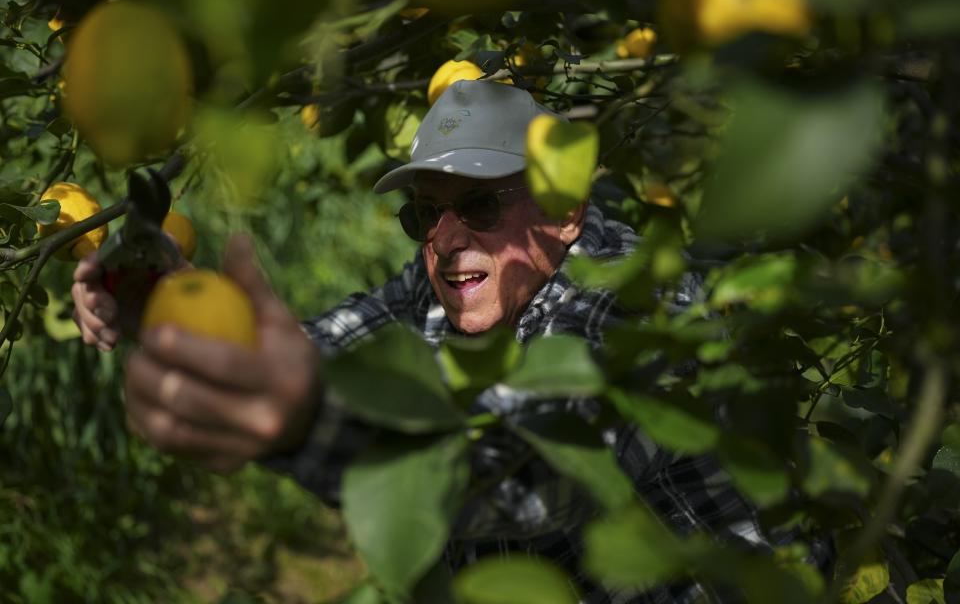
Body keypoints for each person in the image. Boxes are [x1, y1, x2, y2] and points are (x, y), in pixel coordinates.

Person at [71, 80, 825, 603]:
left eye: (482, 205)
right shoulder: (450, 279)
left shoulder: (639, 307)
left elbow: (532, 486)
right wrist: (168, 304)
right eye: (425, 214)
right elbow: (325, 348)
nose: (446, 238)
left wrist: (306, 421)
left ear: (565, 209)